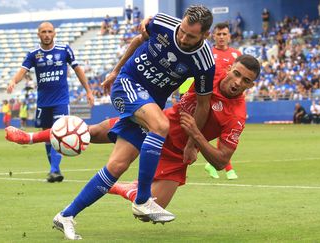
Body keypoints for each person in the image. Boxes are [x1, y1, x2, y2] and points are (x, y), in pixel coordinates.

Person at [5, 55, 260, 224]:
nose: (238, 82)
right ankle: (30, 137)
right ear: (229, 68)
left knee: (148, 215)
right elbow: (179, 80)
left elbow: (221, 161)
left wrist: (196, 138)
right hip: (157, 124)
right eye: (237, 74)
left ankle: (124, 187)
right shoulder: (210, 74)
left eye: (246, 81)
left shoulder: (237, 115)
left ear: (251, 85)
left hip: (178, 154)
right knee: (92, 132)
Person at [54, 6, 214, 240]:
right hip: (127, 84)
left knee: (117, 166)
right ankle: (143, 199)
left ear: (204, 36)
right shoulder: (162, 23)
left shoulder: (204, 63)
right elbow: (139, 39)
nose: (182, 37)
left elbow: (203, 105)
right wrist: (116, 71)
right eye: (182, 31)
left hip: (149, 104)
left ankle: (65, 216)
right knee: (160, 126)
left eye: (190, 36)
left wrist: (192, 143)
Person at [7, 21, 94, 183]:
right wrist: (13, 81)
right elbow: (22, 70)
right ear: (38, 34)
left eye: (49, 32)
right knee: (47, 136)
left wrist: (88, 90)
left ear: (54, 34)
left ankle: (55, 169)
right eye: (44, 32)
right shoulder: (33, 54)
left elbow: (78, 69)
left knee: (57, 132)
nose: (47, 35)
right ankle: (54, 169)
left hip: (60, 101)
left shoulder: (64, 50)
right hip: (43, 102)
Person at [204, 22, 242, 180]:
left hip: (232, 101)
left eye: (224, 34)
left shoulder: (237, 55)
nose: (221, 37)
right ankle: (226, 168)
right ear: (213, 36)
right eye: (218, 34)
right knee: (212, 130)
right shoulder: (208, 53)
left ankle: (217, 166)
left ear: (229, 36)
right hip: (211, 99)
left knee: (228, 132)